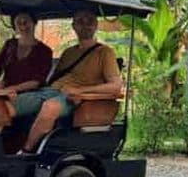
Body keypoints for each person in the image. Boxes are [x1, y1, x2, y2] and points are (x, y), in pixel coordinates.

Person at [14, 9, 122, 153]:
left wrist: (80, 91)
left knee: (50, 107)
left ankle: (26, 152)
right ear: (74, 26)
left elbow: (116, 86)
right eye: (80, 21)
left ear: (96, 25)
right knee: (7, 104)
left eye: (89, 21)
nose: (85, 25)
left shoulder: (104, 52)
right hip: (50, 92)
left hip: (75, 99)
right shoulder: (69, 52)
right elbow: (54, 79)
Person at [0, 12, 53, 94]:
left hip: (31, 93)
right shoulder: (9, 44)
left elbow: (36, 82)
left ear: (34, 23)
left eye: (26, 22)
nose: (23, 26)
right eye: (19, 23)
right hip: (5, 91)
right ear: (15, 26)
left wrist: (9, 90)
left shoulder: (45, 51)